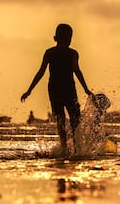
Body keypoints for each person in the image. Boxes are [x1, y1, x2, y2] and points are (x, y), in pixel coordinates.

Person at [21, 24, 93, 155]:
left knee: (61, 120)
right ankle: (76, 149)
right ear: (70, 40)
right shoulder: (72, 53)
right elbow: (77, 71)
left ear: (55, 38)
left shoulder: (50, 53)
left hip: (54, 89)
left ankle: (65, 148)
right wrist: (86, 89)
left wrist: (29, 90)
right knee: (74, 120)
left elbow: (41, 72)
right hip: (68, 89)